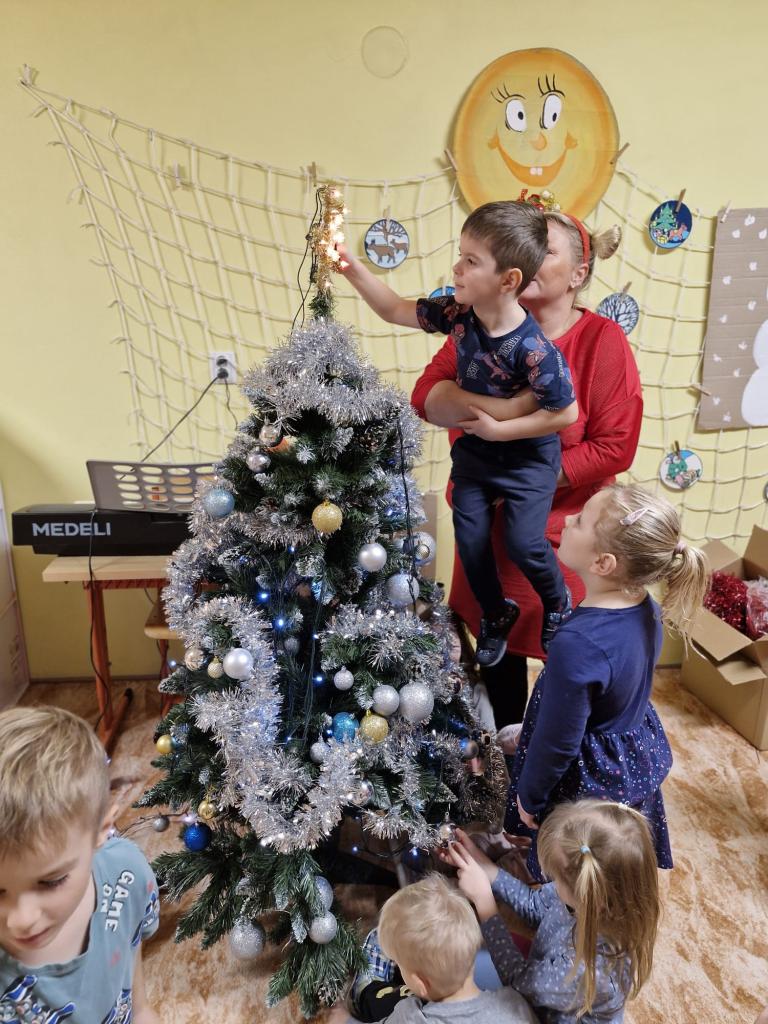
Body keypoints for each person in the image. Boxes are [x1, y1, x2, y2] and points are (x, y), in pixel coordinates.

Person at [411, 211, 641, 726]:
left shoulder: (602, 341)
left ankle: (557, 765)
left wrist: (519, 477)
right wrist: (504, 412)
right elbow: (426, 396)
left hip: (563, 539)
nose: (531, 260)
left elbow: (615, 447)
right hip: (485, 533)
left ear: (579, 273)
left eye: (547, 250)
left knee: (571, 677)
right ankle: (506, 757)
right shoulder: (478, 322)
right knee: (501, 674)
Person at [339, 201, 578, 665]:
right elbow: (393, 309)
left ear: (508, 280)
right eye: (460, 256)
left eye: (471, 261)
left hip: (528, 458)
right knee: (470, 540)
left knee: (524, 543)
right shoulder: (459, 313)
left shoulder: (535, 349)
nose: (457, 268)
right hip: (477, 454)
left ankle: (558, 603)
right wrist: (351, 268)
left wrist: (502, 429)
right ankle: (496, 612)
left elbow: (564, 414)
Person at [503, 483, 709, 881]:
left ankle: (567, 900)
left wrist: (529, 797)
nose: (566, 519)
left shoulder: (579, 642)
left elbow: (558, 743)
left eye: (580, 521)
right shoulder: (645, 606)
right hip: (627, 756)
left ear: (603, 563)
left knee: (579, 862)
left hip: (589, 775)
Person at [0, 706, 159, 1023]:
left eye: (51, 881)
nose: (21, 920)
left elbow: (138, 1003)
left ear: (102, 830)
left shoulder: (126, 876)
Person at [443, 800, 661, 1024]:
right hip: (542, 974)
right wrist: (488, 869)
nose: (553, 885)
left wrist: (485, 903)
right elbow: (534, 905)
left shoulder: (591, 971)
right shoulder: (584, 899)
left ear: (588, 897)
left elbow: (518, 980)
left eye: (557, 879)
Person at [331, 872, 538, 1024]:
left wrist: (343, 1019)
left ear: (421, 985)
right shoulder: (514, 1003)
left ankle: (366, 991)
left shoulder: (410, 1016)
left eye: (399, 964)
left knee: (376, 1000)